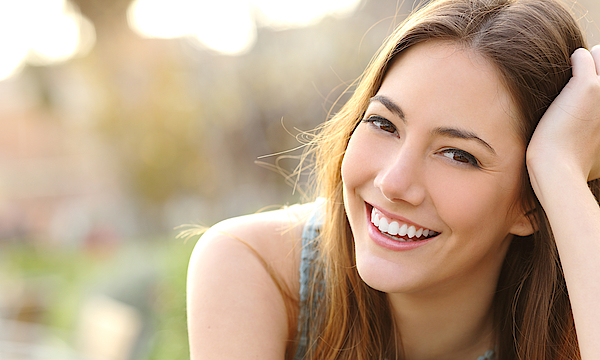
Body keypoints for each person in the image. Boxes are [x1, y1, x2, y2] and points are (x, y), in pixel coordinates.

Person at [186, 0, 600, 359]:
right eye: (384, 124)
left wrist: (561, 172)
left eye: (458, 155)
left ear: (531, 203)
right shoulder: (255, 268)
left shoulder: (580, 310)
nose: (394, 182)